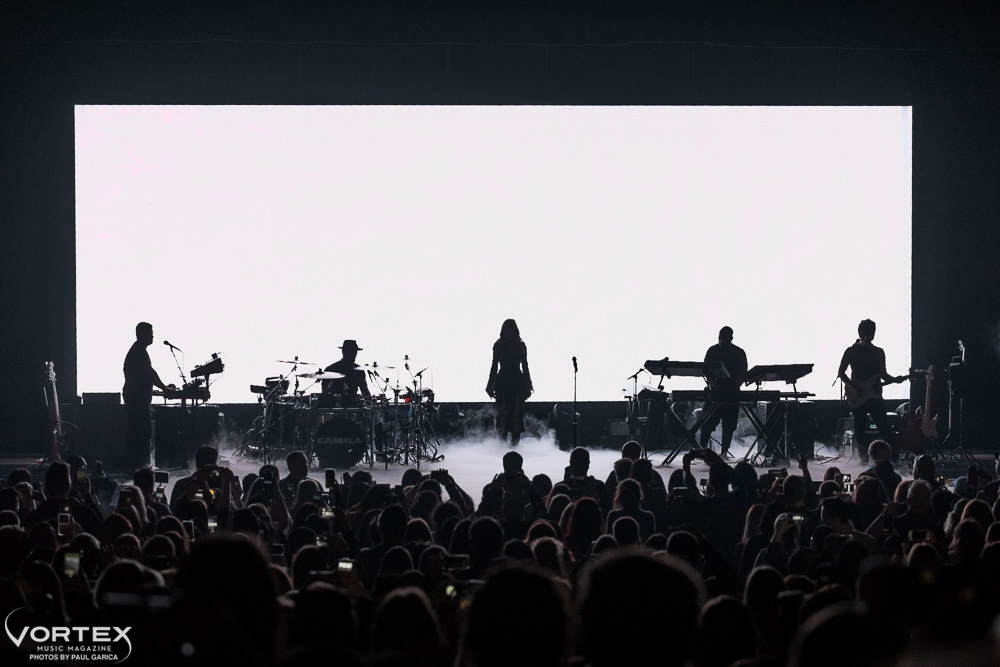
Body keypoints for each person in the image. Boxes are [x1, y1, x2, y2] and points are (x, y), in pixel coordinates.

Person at [838, 319, 900, 460]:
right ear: (860, 333)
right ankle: (863, 460)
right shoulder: (851, 351)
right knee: (859, 430)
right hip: (858, 396)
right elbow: (841, 372)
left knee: (884, 428)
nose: (868, 336)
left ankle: (892, 460)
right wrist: (853, 386)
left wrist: (895, 379)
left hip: (875, 396)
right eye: (865, 333)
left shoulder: (879, 352)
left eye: (871, 333)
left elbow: (883, 374)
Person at [123, 322, 171, 468]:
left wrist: (161, 388)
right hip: (137, 398)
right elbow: (149, 373)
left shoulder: (138, 350)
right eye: (150, 333)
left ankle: (137, 465)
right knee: (142, 432)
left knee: (139, 431)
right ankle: (139, 467)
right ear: (141, 334)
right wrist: (164, 388)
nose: (153, 336)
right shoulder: (139, 351)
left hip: (136, 396)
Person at [698, 326, 748, 458]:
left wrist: (732, 385)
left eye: (725, 339)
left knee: (729, 426)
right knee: (707, 423)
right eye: (721, 338)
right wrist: (715, 385)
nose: (722, 341)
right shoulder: (712, 351)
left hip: (731, 393)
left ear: (731, 338)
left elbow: (743, 374)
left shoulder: (739, 353)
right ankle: (702, 450)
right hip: (716, 392)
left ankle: (723, 452)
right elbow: (706, 372)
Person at [486, 319, 532, 446]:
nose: (510, 332)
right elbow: (494, 366)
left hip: (517, 382)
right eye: (507, 329)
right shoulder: (498, 346)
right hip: (503, 383)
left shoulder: (520, 345)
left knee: (517, 415)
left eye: (511, 329)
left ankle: (515, 447)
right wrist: (490, 384)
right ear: (504, 331)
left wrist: (528, 385)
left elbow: (525, 366)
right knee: (503, 416)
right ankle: (502, 448)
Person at [322, 339, 372, 407]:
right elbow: (324, 393)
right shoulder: (331, 369)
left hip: (354, 407)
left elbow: (365, 391)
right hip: (334, 407)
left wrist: (371, 403)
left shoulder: (359, 370)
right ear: (343, 352)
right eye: (350, 351)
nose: (353, 354)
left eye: (355, 352)